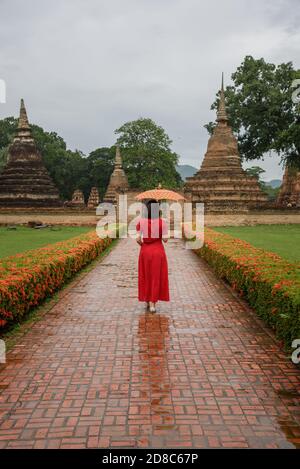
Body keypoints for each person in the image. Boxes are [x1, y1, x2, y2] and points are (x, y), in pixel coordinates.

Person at [136, 199, 170, 313]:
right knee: (156, 277)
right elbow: (165, 240)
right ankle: (152, 304)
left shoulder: (142, 222)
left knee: (146, 276)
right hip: (158, 251)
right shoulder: (162, 222)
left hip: (145, 251)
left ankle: (146, 299)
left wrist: (143, 243)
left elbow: (138, 239)